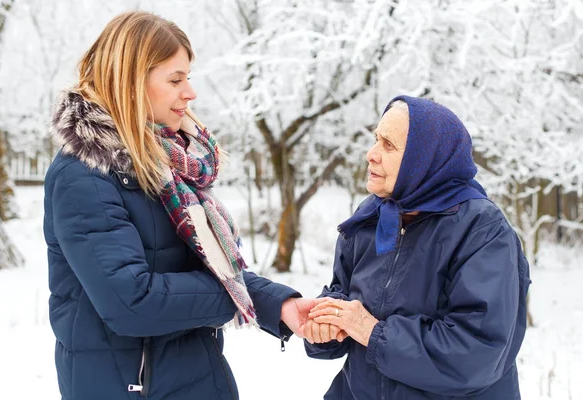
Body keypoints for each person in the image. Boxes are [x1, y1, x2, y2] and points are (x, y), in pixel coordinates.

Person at [44, 11, 317, 400]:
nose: (190, 92)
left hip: (194, 378)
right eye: (176, 79)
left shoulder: (163, 165)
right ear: (132, 82)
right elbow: (131, 302)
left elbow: (205, 269)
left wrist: (278, 303)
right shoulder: (85, 175)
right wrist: (239, 295)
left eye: (188, 77)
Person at [303, 96, 531, 399]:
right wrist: (327, 325)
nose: (371, 155)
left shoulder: (482, 231)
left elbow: (476, 353)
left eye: (388, 145)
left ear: (424, 159)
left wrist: (371, 332)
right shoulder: (371, 216)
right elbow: (346, 295)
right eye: (375, 140)